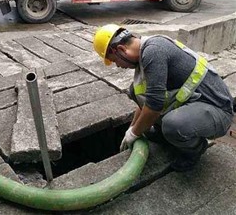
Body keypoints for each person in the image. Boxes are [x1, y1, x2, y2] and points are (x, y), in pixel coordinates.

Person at [93, 24, 234, 172]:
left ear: (121, 50)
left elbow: (154, 105)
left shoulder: (153, 52)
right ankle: (165, 135)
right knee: (135, 91)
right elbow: (146, 100)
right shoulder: (146, 52)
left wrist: (134, 133)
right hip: (194, 101)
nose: (118, 66)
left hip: (218, 110)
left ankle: (195, 149)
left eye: (115, 61)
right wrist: (132, 128)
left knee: (172, 125)